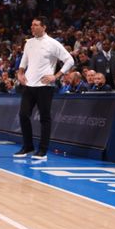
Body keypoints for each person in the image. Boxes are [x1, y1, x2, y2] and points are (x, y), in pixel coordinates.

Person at [15, 17, 74, 159]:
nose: (32, 27)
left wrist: (56, 75)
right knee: (23, 115)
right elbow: (25, 59)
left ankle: (42, 150)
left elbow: (70, 60)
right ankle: (28, 146)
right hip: (29, 85)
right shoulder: (29, 43)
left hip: (45, 86)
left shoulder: (53, 43)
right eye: (31, 25)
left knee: (44, 118)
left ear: (44, 27)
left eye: (35, 25)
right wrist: (20, 72)